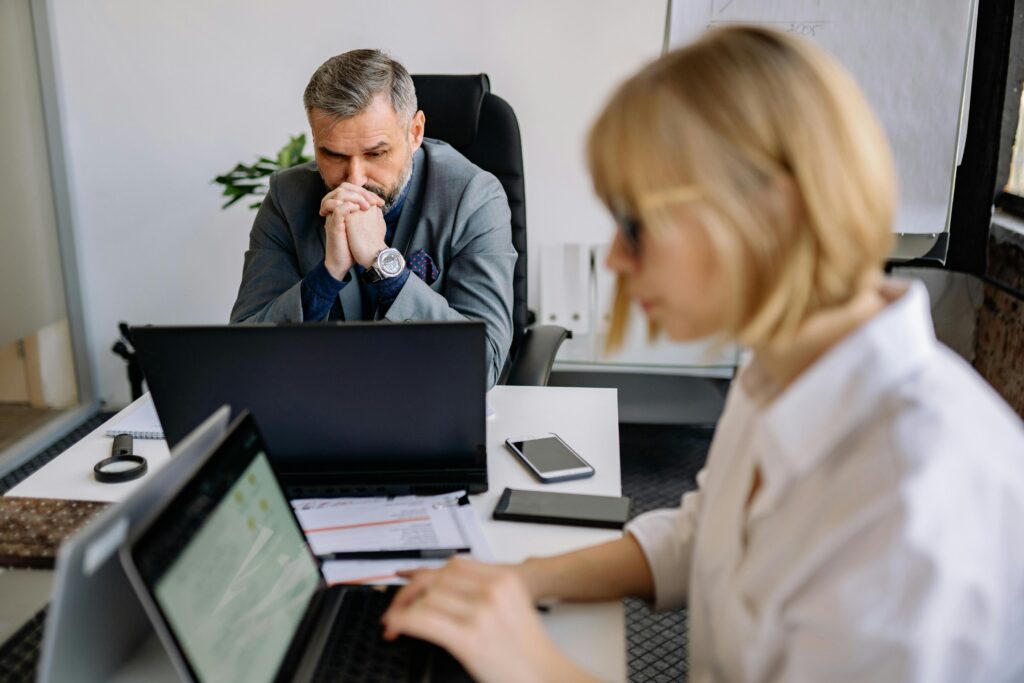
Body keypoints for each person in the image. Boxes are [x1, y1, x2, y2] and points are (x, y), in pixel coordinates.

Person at [380, 27, 1024, 682]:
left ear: (770, 211)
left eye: (637, 225)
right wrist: (518, 579)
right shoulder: (785, 364)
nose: (617, 258)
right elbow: (705, 536)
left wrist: (533, 664)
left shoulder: (914, 502)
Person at [230, 49, 516, 388]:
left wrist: (382, 263)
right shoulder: (287, 197)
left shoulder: (474, 198)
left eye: (375, 153)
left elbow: (482, 366)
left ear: (415, 132)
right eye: (333, 154)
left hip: (424, 405)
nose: (355, 179)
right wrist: (327, 275)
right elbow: (244, 352)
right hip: (321, 406)